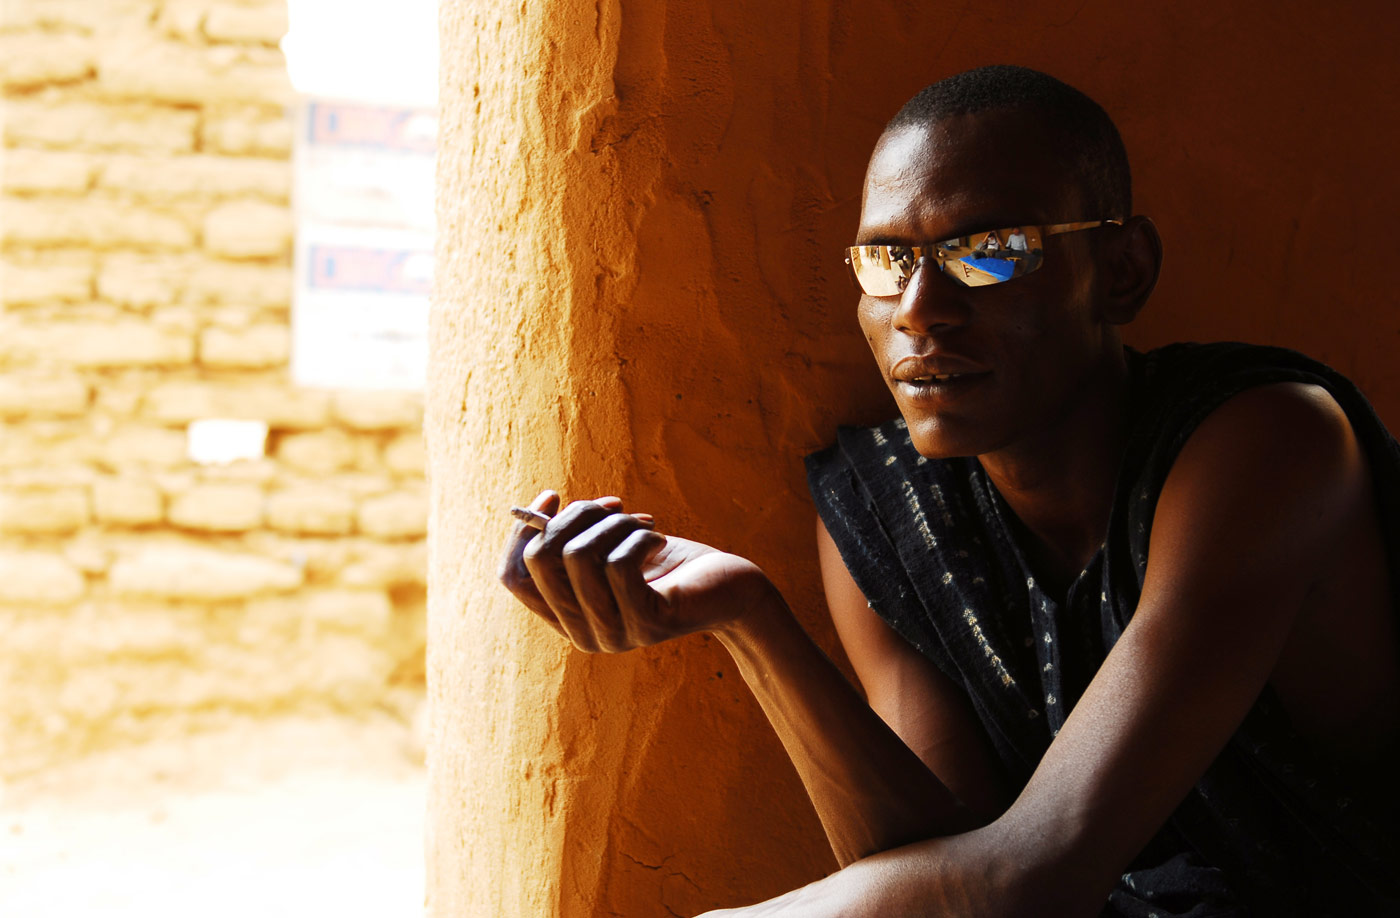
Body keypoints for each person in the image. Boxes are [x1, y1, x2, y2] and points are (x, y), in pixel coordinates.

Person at [499, 65, 1400, 917]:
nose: (920, 308)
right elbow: (931, 868)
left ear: (1121, 271)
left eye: (992, 252)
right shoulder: (886, 512)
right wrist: (754, 623)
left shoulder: (1266, 443)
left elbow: (1035, 877)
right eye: (886, 259)